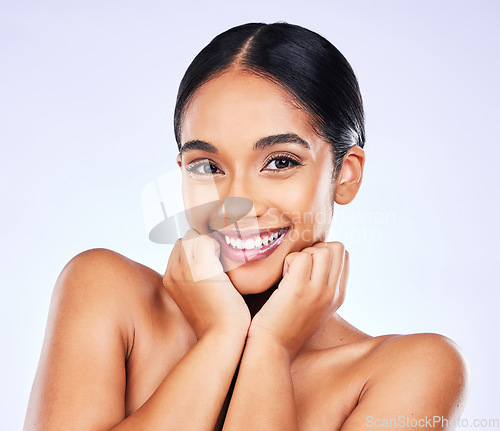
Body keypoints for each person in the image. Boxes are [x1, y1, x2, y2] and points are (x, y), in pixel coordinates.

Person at [23, 22, 468, 430]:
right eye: (207, 166)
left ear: (345, 174)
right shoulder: (105, 292)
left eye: (279, 162)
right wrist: (220, 337)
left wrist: (271, 347)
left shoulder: (408, 370)